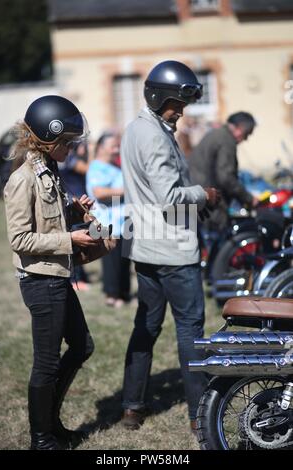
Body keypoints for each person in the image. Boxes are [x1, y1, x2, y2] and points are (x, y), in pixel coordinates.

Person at [4, 95, 115, 450]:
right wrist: (70, 236)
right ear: (48, 138)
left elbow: (48, 221)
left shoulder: (49, 171)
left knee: (82, 346)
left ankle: (51, 426)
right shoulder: (23, 179)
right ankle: (41, 439)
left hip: (56, 275)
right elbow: (19, 238)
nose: (73, 149)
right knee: (46, 363)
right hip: (40, 280)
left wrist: (74, 211)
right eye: (67, 142)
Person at [119, 60, 220, 433]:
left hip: (145, 248)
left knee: (145, 328)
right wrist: (205, 195)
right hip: (173, 252)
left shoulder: (136, 129)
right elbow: (169, 196)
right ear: (158, 97)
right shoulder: (155, 135)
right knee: (190, 330)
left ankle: (132, 407)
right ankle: (199, 415)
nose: (181, 111)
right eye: (177, 103)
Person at [189, 111, 258, 233]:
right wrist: (248, 198)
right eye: (247, 134)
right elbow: (226, 177)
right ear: (240, 129)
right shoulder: (226, 140)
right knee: (217, 243)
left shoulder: (217, 134)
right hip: (209, 203)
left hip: (197, 196)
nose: (245, 139)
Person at [86, 132, 130, 307]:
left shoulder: (116, 167)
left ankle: (124, 293)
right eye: (113, 145)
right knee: (111, 260)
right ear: (101, 147)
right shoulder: (96, 168)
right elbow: (99, 192)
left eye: (117, 145)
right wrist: (125, 191)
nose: (116, 149)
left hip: (123, 221)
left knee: (124, 259)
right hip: (105, 222)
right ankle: (111, 295)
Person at [58, 142, 91, 291]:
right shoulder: (70, 158)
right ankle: (74, 278)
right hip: (74, 202)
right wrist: (92, 154)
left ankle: (81, 276)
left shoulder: (66, 157)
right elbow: (89, 169)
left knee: (79, 242)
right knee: (75, 243)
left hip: (78, 201)